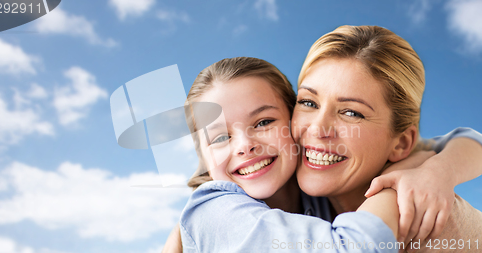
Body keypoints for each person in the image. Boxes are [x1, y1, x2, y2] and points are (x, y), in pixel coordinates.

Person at [162, 54, 482, 252]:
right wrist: (399, 179)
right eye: (220, 138)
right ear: (203, 156)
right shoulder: (212, 212)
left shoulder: (315, 182)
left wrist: (438, 170)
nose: (245, 144)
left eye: (263, 122)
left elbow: (463, 140)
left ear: (294, 121)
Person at [292, 25, 482, 252]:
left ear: (401, 143)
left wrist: (440, 170)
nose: (317, 129)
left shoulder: (432, 224)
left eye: (352, 113)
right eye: (308, 102)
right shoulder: (274, 181)